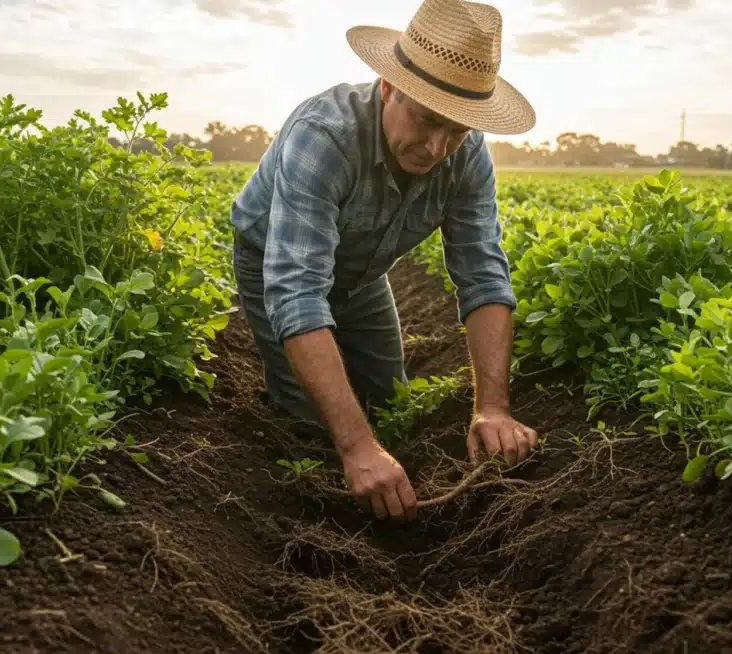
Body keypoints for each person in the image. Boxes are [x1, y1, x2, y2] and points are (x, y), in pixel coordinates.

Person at [228, 0, 538, 522]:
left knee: (388, 404)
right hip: (274, 264)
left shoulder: (466, 155)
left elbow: (482, 275)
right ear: (389, 88)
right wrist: (355, 450)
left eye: (457, 130)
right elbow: (298, 293)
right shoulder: (324, 136)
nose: (438, 147)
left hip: (364, 270)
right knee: (314, 426)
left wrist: (492, 408)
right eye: (427, 121)